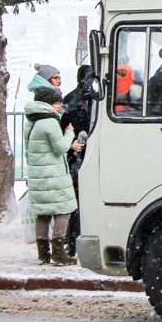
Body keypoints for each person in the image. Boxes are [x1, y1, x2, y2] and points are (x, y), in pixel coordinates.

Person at [25, 86, 80, 265]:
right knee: (63, 210)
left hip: (38, 173)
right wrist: (69, 133)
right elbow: (60, 148)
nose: (59, 106)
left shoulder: (31, 121)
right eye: (56, 102)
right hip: (53, 174)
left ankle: (43, 253)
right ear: (48, 104)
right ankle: (58, 251)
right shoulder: (49, 121)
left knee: (43, 213)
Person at [61, 64, 98, 258]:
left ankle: (71, 241)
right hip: (88, 153)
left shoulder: (70, 98)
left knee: (74, 202)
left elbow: (63, 126)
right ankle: (80, 237)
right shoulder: (96, 97)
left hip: (74, 155)